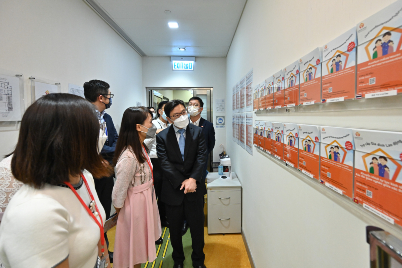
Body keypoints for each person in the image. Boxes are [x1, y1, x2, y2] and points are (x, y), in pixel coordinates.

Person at [0, 93, 112, 268]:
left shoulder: (83, 177)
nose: (101, 137)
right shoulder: (36, 211)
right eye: (93, 130)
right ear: (65, 141)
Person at [156, 100, 207, 268]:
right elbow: (164, 163)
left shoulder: (198, 132)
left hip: (195, 188)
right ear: (169, 118)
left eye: (184, 112)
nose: (182, 116)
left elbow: (201, 158)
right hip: (173, 189)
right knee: (175, 230)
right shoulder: (162, 136)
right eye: (177, 115)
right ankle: (178, 259)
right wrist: (182, 182)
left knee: (197, 228)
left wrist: (193, 179)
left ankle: (198, 260)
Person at [112, 107, 161, 268]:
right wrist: (124, 215)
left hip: (145, 200)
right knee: (132, 248)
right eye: (150, 121)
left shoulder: (140, 147)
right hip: (135, 206)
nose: (153, 125)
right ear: (138, 127)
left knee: (139, 248)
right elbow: (119, 192)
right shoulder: (129, 156)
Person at [84, 79, 117, 258]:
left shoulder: (107, 117)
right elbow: (90, 145)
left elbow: (115, 138)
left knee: (102, 211)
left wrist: (114, 150)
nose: (110, 99)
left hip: (106, 170)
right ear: (101, 97)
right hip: (90, 171)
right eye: (109, 95)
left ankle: (103, 249)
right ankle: (94, 252)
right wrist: (111, 151)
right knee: (91, 213)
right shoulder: (84, 117)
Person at [144, 101, 169, 227]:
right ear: (159, 111)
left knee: (166, 190)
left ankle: (165, 217)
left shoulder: (171, 124)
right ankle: (158, 220)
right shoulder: (153, 124)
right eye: (165, 109)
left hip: (168, 161)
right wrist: (155, 132)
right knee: (157, 191)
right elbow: (144, 142)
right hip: (156, 160)